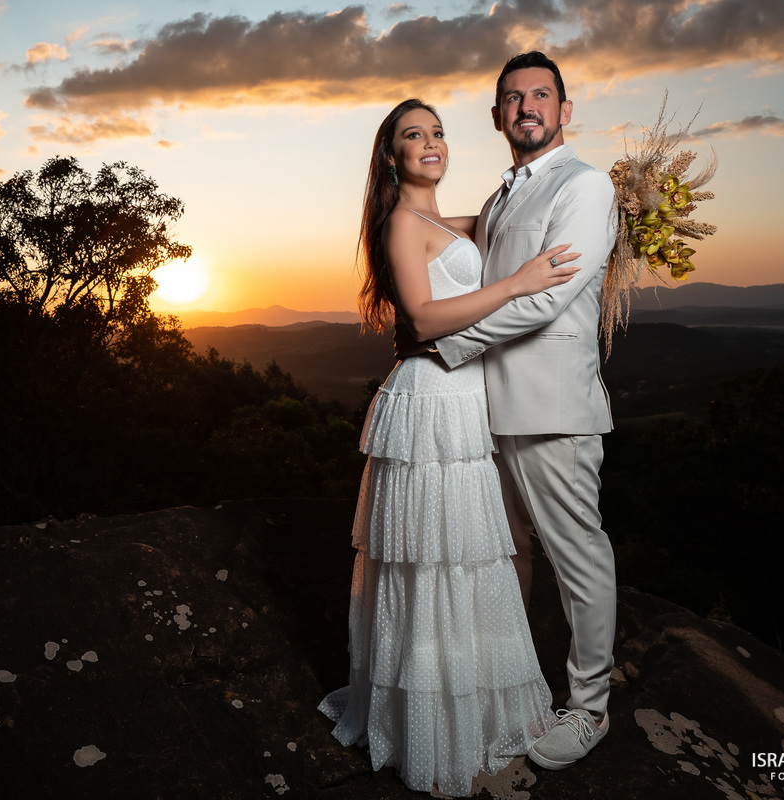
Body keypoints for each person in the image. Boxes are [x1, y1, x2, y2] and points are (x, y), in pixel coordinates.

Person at [317, 97, 581, 796]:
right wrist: (517, 283)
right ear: (391, 154)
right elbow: (425, 316)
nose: (430, 142)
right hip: (430, 396)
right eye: (413, 135)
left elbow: (508, 222)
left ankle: (474, 703)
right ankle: (425, 724)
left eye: (437, 132)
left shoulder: (441, 218)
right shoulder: (403, 220)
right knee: (433, 563)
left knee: (467, 558)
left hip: (464, 400)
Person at [419, 51, 619, 771]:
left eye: (541, 95)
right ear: (498, 115)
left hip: (551, 409)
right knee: (506, 559)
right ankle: (511, 687)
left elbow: (545, 300)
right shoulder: (504, 194)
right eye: (513, 97)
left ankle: (590, 708)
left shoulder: (586, 185)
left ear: (565, 111)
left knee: (577, 558)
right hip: (487, 411)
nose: (526, 105)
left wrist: (448, 345)